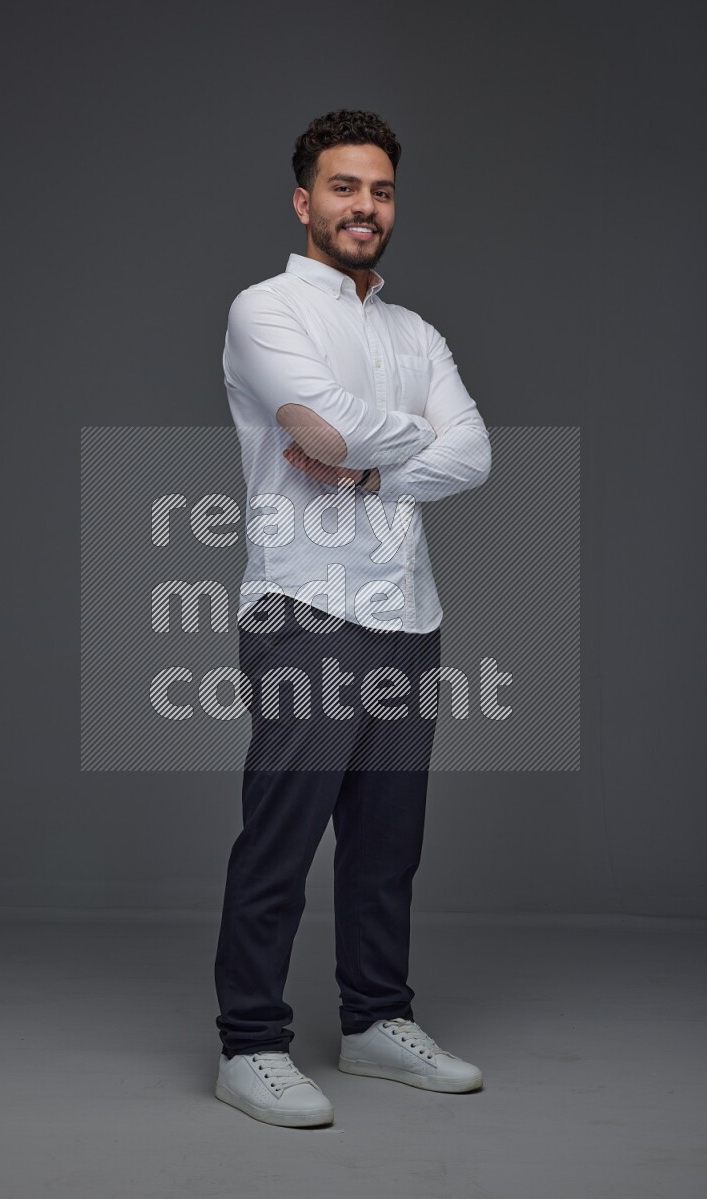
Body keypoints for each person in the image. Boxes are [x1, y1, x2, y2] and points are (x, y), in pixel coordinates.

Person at [213, 110, 492, 1128]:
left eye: (379, 190)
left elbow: (475, 454)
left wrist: (375, 465)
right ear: (304, 201)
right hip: (305, 606)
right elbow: (320, 428)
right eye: (343, 187)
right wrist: (414, 435)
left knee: (386, 845)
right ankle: (249, 1041)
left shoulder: (416, 333)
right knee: (281, 839)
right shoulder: (265, 309)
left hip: (407, 612)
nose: (363, 206)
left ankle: (375, 1020)